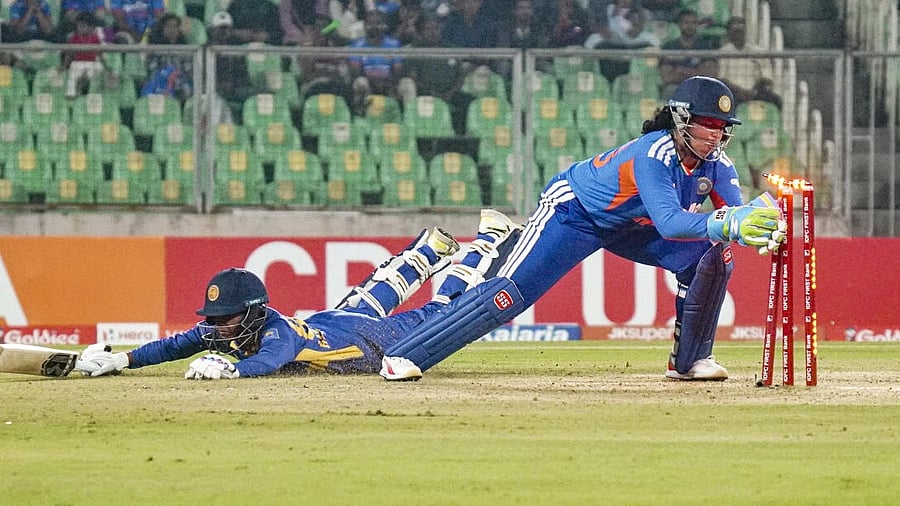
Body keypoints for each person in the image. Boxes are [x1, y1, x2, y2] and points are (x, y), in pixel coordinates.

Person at [379, 76, 787, 382]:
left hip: (629, 226)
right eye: (708, 124)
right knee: (508, 295)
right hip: (574, 213)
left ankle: (690, 361)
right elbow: (671, 222)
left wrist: (762, 223)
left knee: (713, 256)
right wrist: (730, 222)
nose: (716, 134)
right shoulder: (654, 153)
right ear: (682, 119)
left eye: (722, 126)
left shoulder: (718, 165)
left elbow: (733, 218)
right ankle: (404, 355)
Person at [74, 211, 522, 379]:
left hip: (376, 341)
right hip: (333, 324)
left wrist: (232, 368)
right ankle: (429, 250)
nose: (216, 327)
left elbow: (269, 362)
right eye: (214, 318)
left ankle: (490, 238)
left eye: (225, 317)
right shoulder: (224, 328)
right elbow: (175, 345)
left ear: (252, 313)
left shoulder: (277, 334)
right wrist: (122, 360)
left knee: (444, 309)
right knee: (372, 292)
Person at [716, 16, 781, 109]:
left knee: (775, 100)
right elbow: (722, 79)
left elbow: (767, 78)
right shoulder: (723, 52)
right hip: (732, 92)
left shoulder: (758, 52)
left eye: (741, 31)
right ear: (729, 33)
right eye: (735, 31)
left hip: (756, 92)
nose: (738, 34)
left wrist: (754, 91)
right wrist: (740, 92)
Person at [347, 9, 403, 115]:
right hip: (368, 84)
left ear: (384, 25)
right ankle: (362, 115)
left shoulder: (394, 44)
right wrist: (374, 82)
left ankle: (406, 117)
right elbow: (355, 72)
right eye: (370, 23)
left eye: (378, 23)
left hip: (389, 84)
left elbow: (397, 70)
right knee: (360, 82)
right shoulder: (357, 45)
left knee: (407, 84)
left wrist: (388, 83)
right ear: (364, 25)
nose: (374, 26)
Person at [658, 9, 719, 98]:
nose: (690, 26)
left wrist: (682, 71)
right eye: (686, 23)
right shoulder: (669, 47)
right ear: (679, 25)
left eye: (694, 23)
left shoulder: (706, 46)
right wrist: (697, 72)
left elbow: (710, 74)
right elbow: (667, 77)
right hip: (676, 88)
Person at [141, 13, 193, 101]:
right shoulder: (154, 49)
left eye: (175, 26)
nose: (172, 29)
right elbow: (152, 70)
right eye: (168, 26)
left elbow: (188, 70)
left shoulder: (185, 49)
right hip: (159, 84)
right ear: (162, 28)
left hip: (179, 85)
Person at [62, 11, 106, 99]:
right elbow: (69, 54)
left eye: (82, 26)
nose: (79, 29)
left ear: (91, 27)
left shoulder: (95, 39)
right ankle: (71, 93)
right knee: (73, 70)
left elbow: (100, 54)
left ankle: (94, 93)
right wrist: (64, 65)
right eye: (78, 26)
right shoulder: (74, 38)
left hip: (92, 64)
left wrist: (106, 66)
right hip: (78, 63)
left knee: (99, 68)